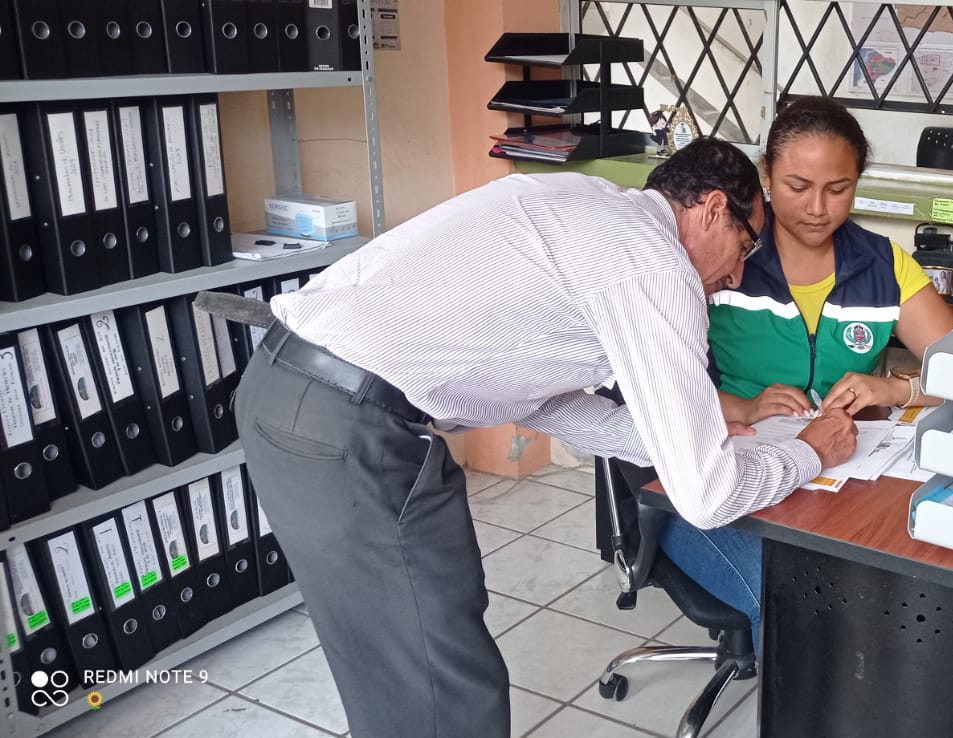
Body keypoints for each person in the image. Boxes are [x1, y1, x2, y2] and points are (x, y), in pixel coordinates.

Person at [233, 138, 858, 738]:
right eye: (745, 247)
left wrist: (680, 443)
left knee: (398, 667)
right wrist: (811, 450)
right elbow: (708, 498)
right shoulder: (654, 264)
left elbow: (545, 403)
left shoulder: (589, 204)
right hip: (347, 423)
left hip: (290, 391)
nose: (739, 276)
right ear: (714, 209)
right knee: (440, 683)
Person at [658, 96, 953, 644]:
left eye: (838, 189)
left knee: (907, 578)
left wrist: (895, 388)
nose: (818, 208)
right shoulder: (721, 258)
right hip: (718, 481)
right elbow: (658, 391)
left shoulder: (882, 266)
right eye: (797, 186)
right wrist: (744, 406)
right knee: (792, 595)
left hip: (837, 482)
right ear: (766, 175)